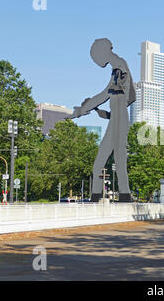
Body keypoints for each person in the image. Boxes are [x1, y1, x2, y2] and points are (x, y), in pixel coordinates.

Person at [67, 38, 136, 203]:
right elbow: (109, 96)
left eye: (95, 55)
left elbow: (107, 95)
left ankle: (123, 195)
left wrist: (81, 110)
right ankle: (98, 195)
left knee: (118, 159)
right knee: (100, 162)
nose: (96, 60)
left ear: (103, 51)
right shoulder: (117, 67)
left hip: (120, 119)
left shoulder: (119, 65)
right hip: (116, 118)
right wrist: (96, 110)